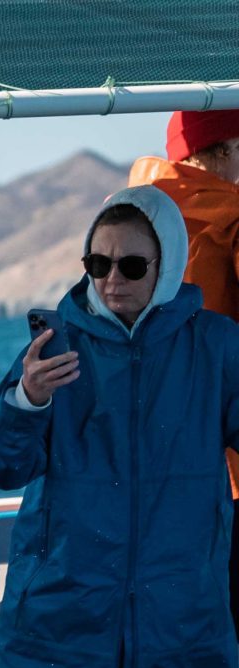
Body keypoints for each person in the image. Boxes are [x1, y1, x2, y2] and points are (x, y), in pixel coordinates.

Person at [0, 186, 239, 668]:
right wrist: (27, 400)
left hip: (180, 611)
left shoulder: (217, 348)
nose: (112, 279)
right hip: (64, 608)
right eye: (98, 264)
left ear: (167, 263)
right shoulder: (51, 351)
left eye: (131, 265)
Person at [131, 110, 239, 628]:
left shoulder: (130, 223)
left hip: (145, 463)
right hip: (228, 467)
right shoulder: (231, 221)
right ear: (227, 148)